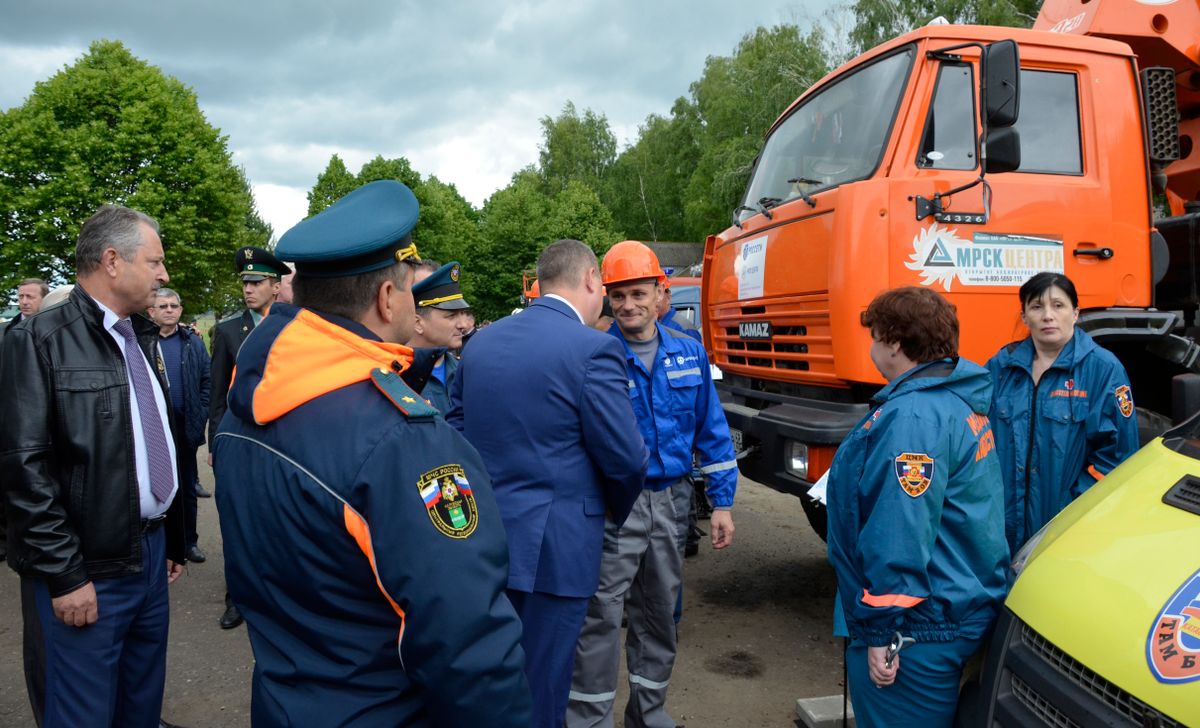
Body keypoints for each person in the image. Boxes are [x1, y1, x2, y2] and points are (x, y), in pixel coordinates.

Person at [213, 180, 531, 726]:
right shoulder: (402, 439)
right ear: (387, 298)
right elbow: (465, 638)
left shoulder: (242, 409)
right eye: (411, 286)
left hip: (285, 704)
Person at [448, 239, 647, 728]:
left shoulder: (482, 344)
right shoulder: (594, 348)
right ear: (591, 281)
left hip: (483, 540)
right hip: (557, 551)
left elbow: (452, 434)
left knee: (493, 674)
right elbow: (625, 459)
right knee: (544, 684)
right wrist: (607, 510)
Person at [1, 205, 186, 728]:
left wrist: (170, 538)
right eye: (155, 261)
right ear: (111, 260)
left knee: (140, 706)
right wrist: (64, 575)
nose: (164, 274)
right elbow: (23, 469)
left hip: (148, 558)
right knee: (82, 712)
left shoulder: (140, 337)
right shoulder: (38, 340)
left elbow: (153, 445)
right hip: (87, 572)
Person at [567, 240, 737, 728]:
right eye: (618, 296)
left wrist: (721, 505)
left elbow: (712, 431)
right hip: (614, 504)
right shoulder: (595, 356)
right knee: (600, 614)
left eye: (639, 293)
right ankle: (588, 719)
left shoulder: (689, 353)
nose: (628, 305)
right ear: (606, 298)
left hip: (673, 500)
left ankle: (648, 714)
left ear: (661, 294)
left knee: (660, 611)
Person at [825, 286, 1008, 728]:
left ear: (893, 342)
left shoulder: (914, 417)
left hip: (918, 627)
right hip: (951, 604)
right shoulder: (953, 397)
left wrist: (881, 630)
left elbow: (900, 530)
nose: (871, 347)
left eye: (874, 337)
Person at [986, 272, 1139, 554]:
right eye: (1036, 307)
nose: (1047, 316)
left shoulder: (1103, 369)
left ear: (1075, 313)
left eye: (1058, 305)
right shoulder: (1001, 367)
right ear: (1024, 317)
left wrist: (1073, 509)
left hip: (1067, 528)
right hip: (1001, 526)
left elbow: (1118, 456)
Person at [207, 244, 288, 630]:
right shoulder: (226, 331)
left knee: (279, 520)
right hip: (239, 441)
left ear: (276, 286)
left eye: (257, 282)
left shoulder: (295, 327)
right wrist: (217, 444)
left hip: (284, 442)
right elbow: (218, 394)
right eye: (246, 283)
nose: (249, 289)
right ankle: (236, 597)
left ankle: (278, 593)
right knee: (237, 522)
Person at [150, 288, 212, 564]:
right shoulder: (143, 343)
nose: (169, 310)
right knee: (157, 487)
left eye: (174, 305)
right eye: (162, 305)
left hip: (185, 426)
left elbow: (207, 381)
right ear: (151, 312)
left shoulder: (192, 342)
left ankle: (189, 542)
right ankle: (161, 545)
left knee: (186, 487)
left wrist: (200, 414)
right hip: (154, 429)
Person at [407, 261, 472, 412]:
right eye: (451, 316)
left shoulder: (464, 370)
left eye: (462, 313)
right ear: (417, 322)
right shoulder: (398, 378)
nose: (462, 324)